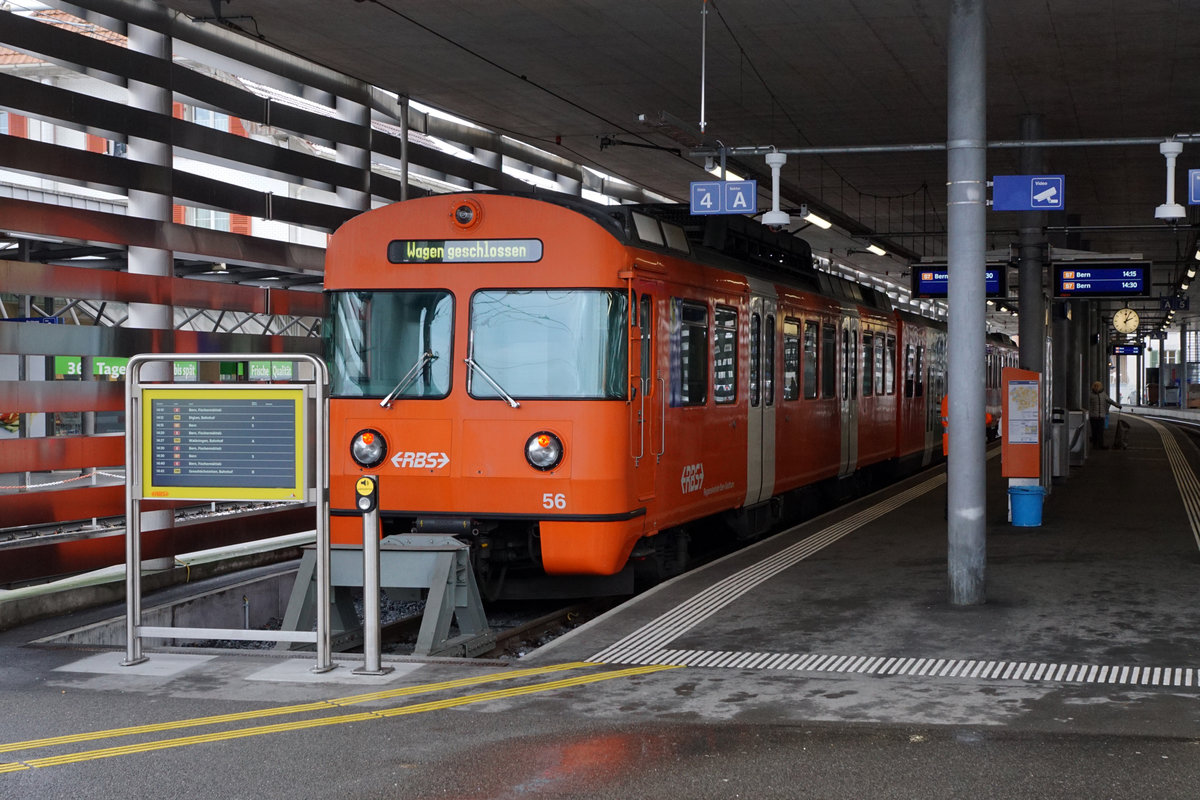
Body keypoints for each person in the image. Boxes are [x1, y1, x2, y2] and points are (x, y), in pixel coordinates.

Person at [1088, 380, 1121, 449]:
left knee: (1094, 431)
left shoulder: (1091, 395)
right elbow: (1110, 401)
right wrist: (1118, 406)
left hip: (1093, 416)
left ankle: (1095, 445)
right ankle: (1100, 445)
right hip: (1100, 416)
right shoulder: (1103, 394)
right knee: (1100, 432)